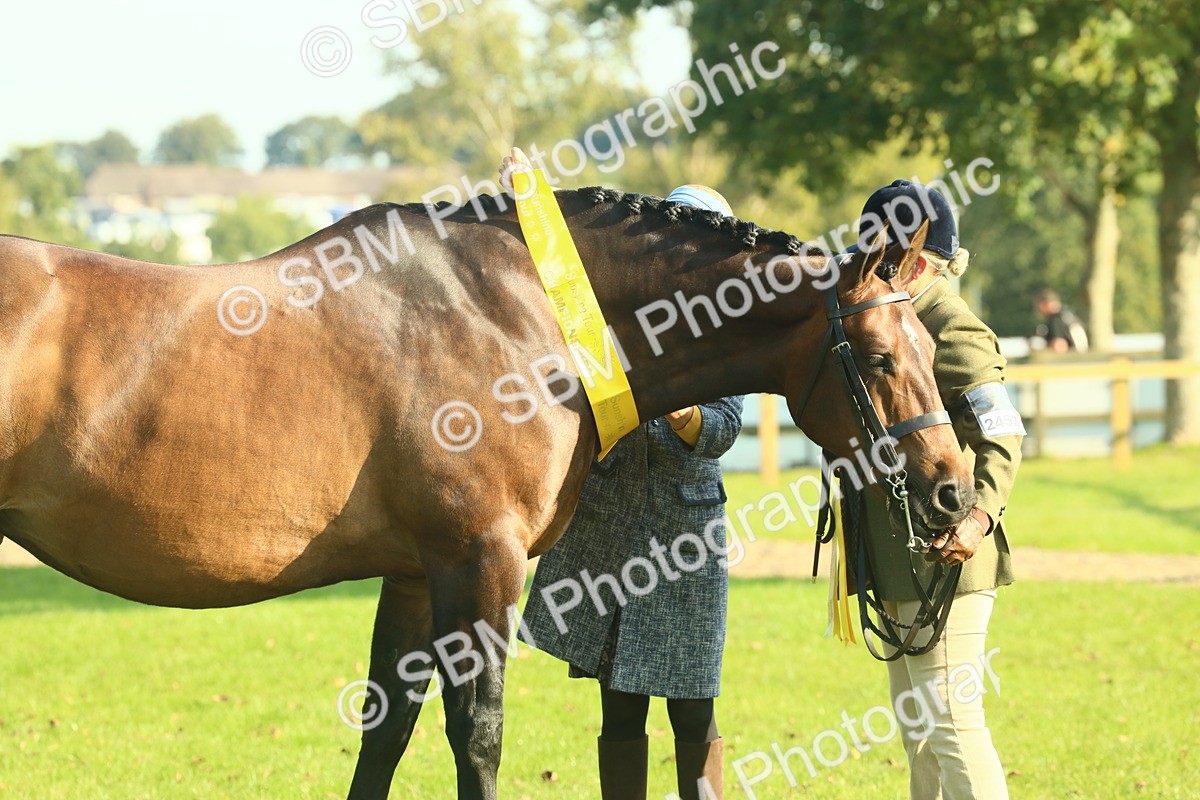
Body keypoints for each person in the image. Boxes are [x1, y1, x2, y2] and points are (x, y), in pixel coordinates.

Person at [501, 152, 743, 800]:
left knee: (694, 705)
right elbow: (558, 274)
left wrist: (685, 410)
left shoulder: (728, 331)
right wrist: (528, 197)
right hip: (611, 532)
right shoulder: (617, 311)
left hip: (687, 540)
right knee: (621, 704)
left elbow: (723, 430)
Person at [845, 180, 1024, 800]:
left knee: (951, 723)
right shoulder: (888, 321)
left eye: (882, 257)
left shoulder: (954, 328)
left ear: (917, 261)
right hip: (897, 560)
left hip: (952, 555)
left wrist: (977, 519)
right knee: (918, 733)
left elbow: (1004, 436)